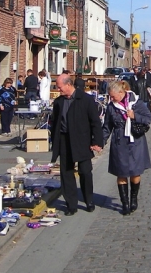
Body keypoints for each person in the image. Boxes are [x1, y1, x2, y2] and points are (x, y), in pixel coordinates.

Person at [50, 74, 103, 215]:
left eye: (59, 87)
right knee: (66, 173)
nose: (58, 90)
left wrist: (97, 142)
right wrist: (53, 140)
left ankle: (89, 200)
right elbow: (54, 122)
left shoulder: (85, 100)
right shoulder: (59, 102)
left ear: (68, 84)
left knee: (85, 172)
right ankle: (71, 204)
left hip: (82, 141)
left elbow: (95, 123)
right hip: (64, 140)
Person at [103, 80, 151, 215]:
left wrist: (135, 116)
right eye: (110, 97)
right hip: (119, 142)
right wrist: (100, 142)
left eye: (113, 96)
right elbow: (107, 127)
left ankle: (133, 199)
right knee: (121, 172)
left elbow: (148, 118)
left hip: (136, 141)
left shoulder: (136, 102)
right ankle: (124, 203)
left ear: (121, 92)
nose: (111, 99)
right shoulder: (111, 107)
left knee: (135, 172)